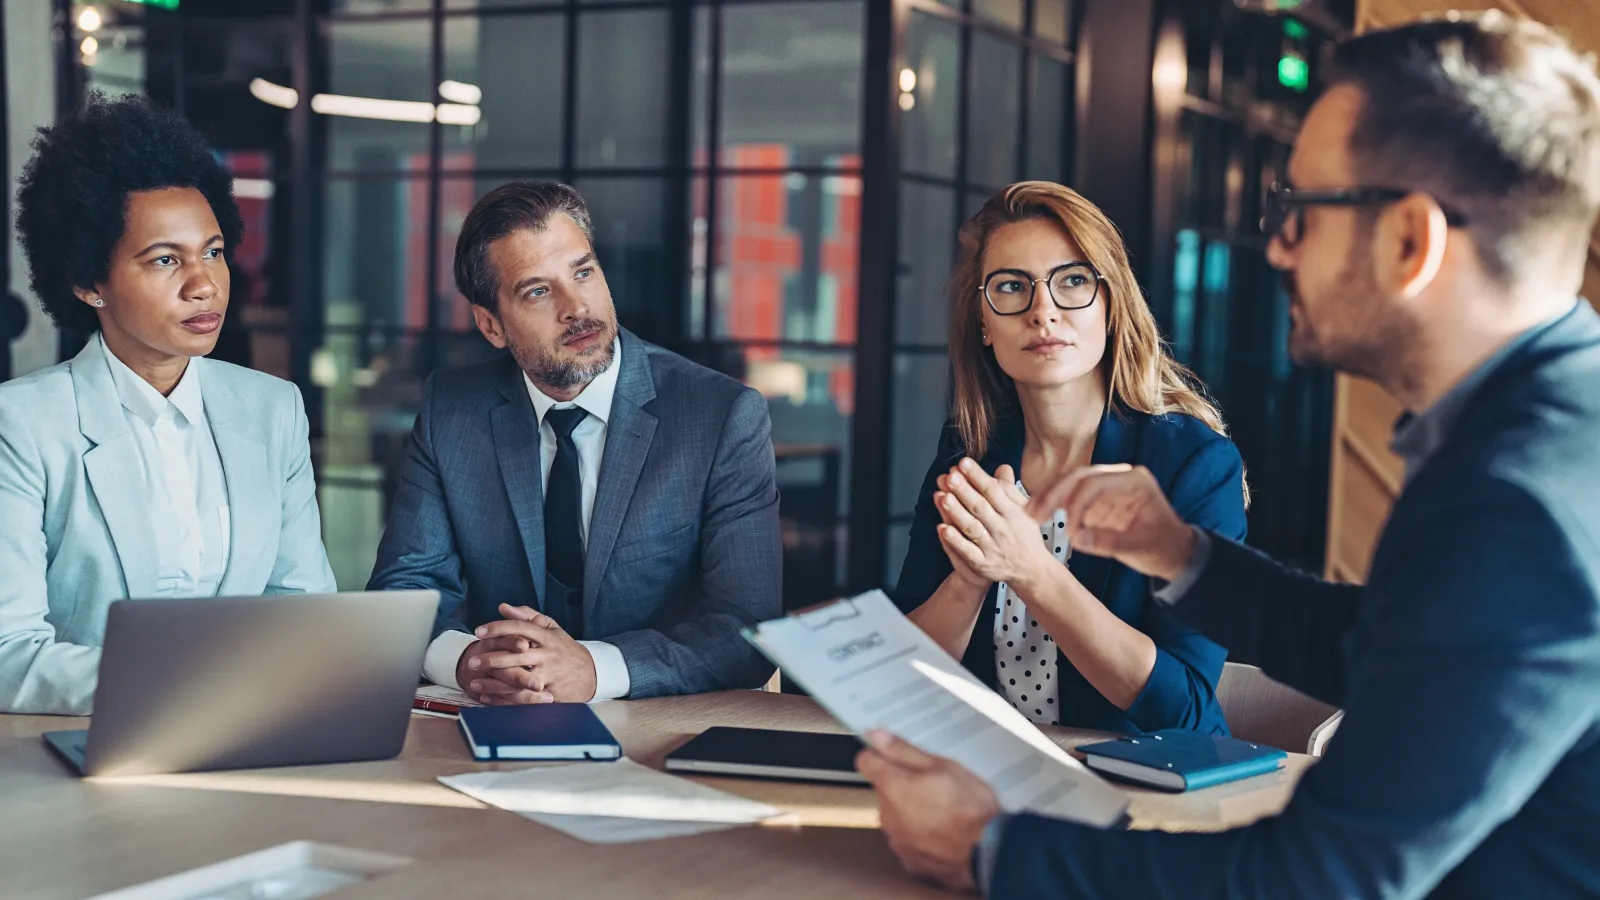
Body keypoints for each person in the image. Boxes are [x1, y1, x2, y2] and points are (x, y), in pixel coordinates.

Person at [857, 13, 1600, 898]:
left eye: (1303, 213)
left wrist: (990, 850)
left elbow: (1323, 878)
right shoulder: (1541, 436)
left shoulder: (1517, 502)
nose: (1277, 247)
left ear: (1409, 241)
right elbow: (1376, 639)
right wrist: (1182, 556)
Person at [368, 180, 780, 704]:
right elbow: (403, 592)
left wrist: (593, 669)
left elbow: (748, 628)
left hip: (664, 728)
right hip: (503, 718)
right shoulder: (453, 410)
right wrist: (470, 662)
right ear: (491, 325)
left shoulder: (720, 416)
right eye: (537, 291)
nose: (576, 307)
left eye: (583, 272)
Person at [0, 93, 337, 715]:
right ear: (88, 281)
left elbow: (301, 607)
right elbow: (8, 653)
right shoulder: (22, 425)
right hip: (78, 751)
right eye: (164, 259)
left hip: (251, 737)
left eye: (213, 251)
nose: (204, 283)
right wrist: (187, 686)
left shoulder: (272, 409)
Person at [894, 182, 1245, 734]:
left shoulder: (1195, 465)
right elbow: (903, 683)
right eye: (1012, 287)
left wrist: (1030, 570)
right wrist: (968, 581)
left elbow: (1187, 711)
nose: (1043, 312)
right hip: (989, 775)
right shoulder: (968, 453)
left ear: (1110, 305)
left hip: (1144, 788)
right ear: (984, 324)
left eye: (1073, 282)